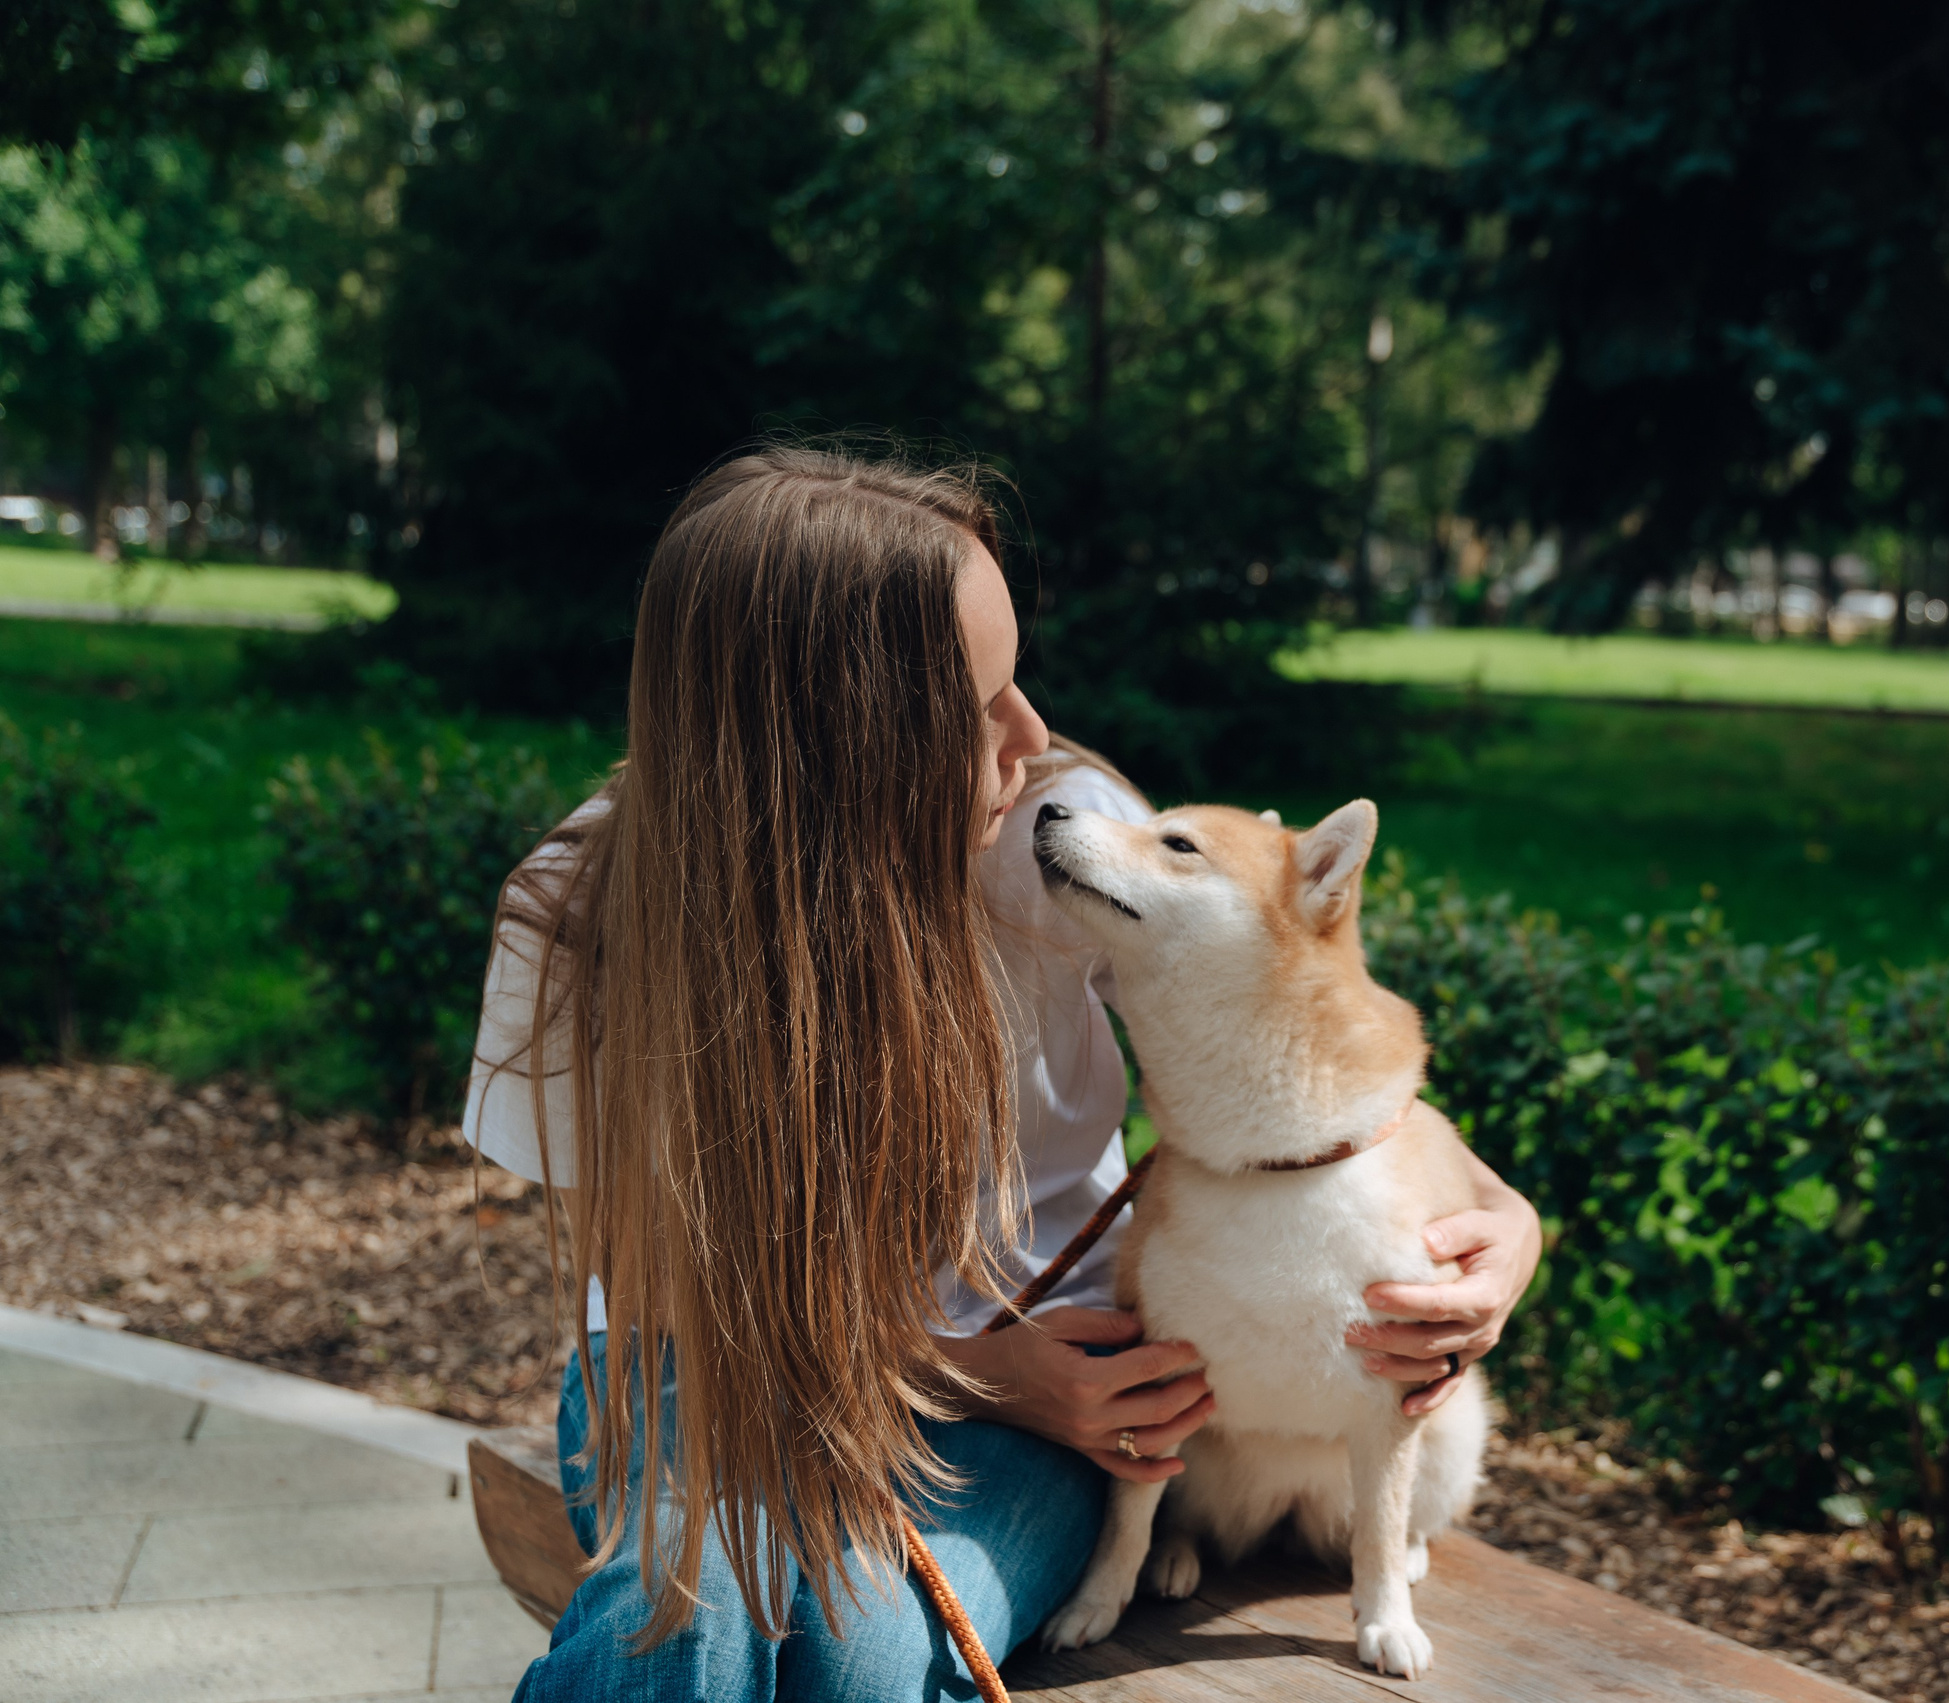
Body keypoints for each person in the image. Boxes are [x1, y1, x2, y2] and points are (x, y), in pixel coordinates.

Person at [460, 446, 1543, 1702]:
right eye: (977, 703)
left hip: (1055, 1388)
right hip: (710, 1363)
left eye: (1017, 678)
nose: (1030, 737)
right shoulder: (584, 909)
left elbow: (1297, 1031)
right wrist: (970, 1368)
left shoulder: (1059, 837)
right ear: (829, 739)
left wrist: (1502, 1222)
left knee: (861, 1664)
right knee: (697, 1598)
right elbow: (654, 1285)